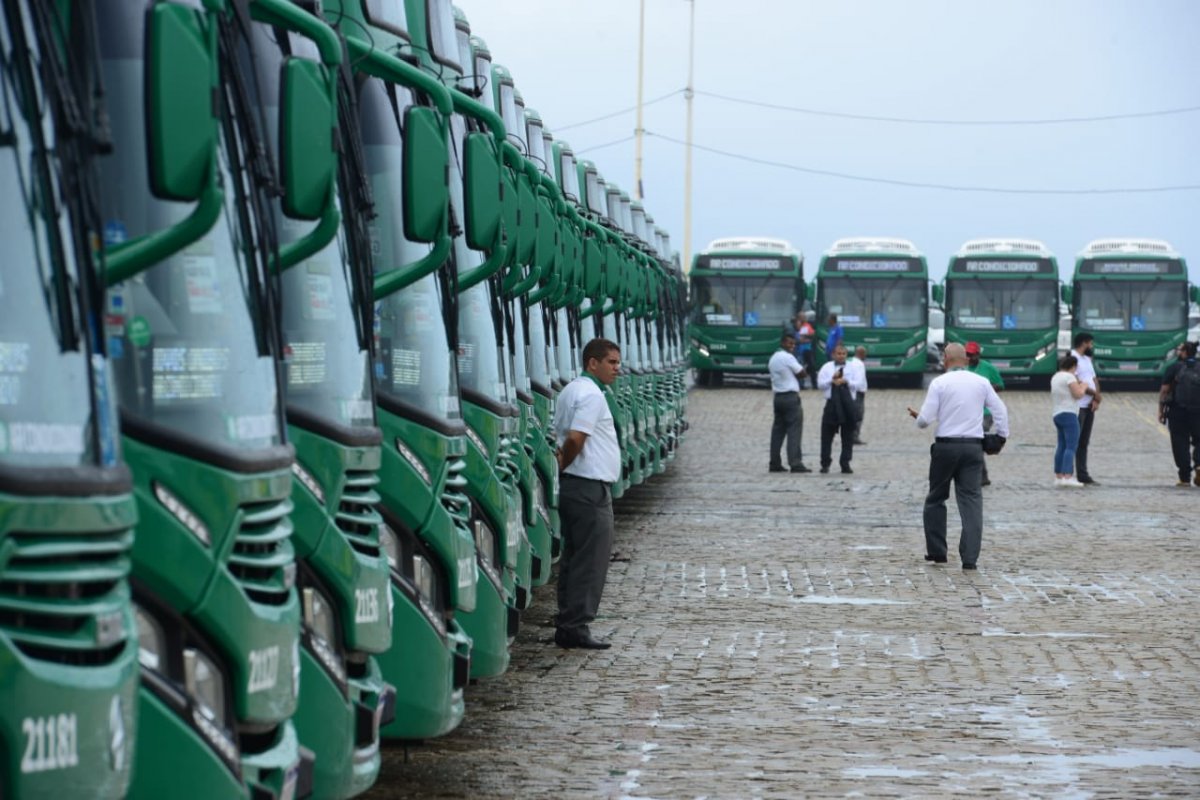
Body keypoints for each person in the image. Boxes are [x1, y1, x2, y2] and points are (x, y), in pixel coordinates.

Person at [906, 342, 1009, 570]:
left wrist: (919, 416)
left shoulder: (940, 383)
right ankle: (970, 558)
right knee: (971, 501)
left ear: (945, 358)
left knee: (936, 498)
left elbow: (925, 421)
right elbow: (1000, 410)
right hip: (973, 448)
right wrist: (1001, 436)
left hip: (945, 447)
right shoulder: (981, 382)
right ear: (965, 359)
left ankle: (937, 551)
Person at [552, 338, 623, 649]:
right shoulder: (592, 395)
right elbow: (576, 438)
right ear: (592, 362)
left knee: (573, 557)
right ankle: (575, 625)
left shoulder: (571, 390)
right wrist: (563, 465)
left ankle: (567, 622)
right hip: (588, 486)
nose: (617, 369)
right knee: (591, 560)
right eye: (611, 362)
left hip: (575, 485)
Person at [817, 344, 865, 474]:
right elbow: (820, 384)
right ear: (833, 354)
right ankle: (825, 463)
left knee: (848, 436)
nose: (841, 356)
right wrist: (831, 380)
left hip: (848, 404)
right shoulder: (826, 367)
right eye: (838, 353)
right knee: (826, 435)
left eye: (843, 353)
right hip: (831, 404)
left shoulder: (853, 368)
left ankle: (845, 463)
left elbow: (859, 383)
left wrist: (846, 381)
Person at [1158, 341, 1200, 487]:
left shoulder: (1174, 368)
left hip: (1177, 411)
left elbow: (1164, 391)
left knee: (1180, 443)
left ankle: (1184, 477)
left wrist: (1161, 411)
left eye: (1179, 350)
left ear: (1184, 352)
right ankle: (1199, 465)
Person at [768, 333, 810, 473]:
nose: (792, 346)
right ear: (782, 343)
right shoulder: (787, 357)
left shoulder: (773, 358)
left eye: (794, 344)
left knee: (777, 432)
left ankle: (774, 463)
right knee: (794, 431)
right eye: (789, 343)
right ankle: (795, 463)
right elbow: (801, 373)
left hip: (778, 398)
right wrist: (805, 369)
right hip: (791, 398)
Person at [965, 341, 1004, 486]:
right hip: (967, 412)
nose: (969, 357)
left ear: (978, 355)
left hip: (986, 412)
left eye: (972, 355)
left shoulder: (988, 368)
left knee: (976, 439)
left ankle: (981, 476)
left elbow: (1000, 385)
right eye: (967, 354)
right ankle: (979, 475)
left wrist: (984, 389)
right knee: (972, 443)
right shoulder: (961, 368)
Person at [1050, 355, 1092, 487]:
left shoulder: (1056, 376)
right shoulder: (1069, 377)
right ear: (1073, 366)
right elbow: (1078, 394)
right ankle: (1067, 476)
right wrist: (1084, 386)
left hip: (1057, 413)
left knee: (1061, 445)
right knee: (1071, 445)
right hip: (1069, 414)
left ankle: (1058, 475)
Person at [1071, 332, 1101, 485]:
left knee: (1084, 442)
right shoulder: (1073, 358)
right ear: (1084, 343)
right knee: (1073, 441)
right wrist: (1093, 393)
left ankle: (1083, 474)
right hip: (1078, 405)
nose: (1092, 346)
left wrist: (1096, 397)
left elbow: (1094, 378)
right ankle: (1068, 473)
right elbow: (1075, 380)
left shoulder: (1087, 359)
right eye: (1091, 343)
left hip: (1089, 405)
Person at [847, 345, 869, 445]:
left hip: (850, 391)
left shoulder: (849, 361)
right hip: (858, 392)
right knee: (858, 415)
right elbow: (860, 380)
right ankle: (854, 436)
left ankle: (849, 435)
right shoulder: (859, 364)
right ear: (862, 354)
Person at [793, 312, 817, 389]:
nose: (804, 318)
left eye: (804, 317)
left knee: (812, 366)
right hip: (799, 351)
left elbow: (812, 335)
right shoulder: (797, 327)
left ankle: (814, 384)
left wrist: (805, 337)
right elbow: (798, 340)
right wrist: (804, 339)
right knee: (800, 367)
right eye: (802, 317)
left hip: (807, 349)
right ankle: (801, 384)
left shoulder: (808, 326)